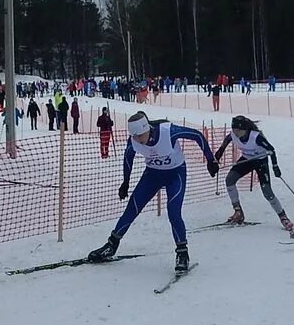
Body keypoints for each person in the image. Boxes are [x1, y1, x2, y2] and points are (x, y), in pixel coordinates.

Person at [87, 112, 219, 272]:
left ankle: (182, 253)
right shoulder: (134, 140)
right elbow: (128, 157)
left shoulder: (168, 131)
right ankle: (111, 245)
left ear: (147, 129)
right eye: (134, 136)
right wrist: (125, 183)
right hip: (152, 175)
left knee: (173, 212)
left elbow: (197, 135)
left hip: (175, 174)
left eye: (140, 135)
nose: (138, 140)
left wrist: (210, 160)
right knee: (132, 209)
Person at [213, 115, 294, 234]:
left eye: (237, 130)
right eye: (233, 129)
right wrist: (215, 160)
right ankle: (238, 212)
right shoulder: (232, 135)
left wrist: (275, 166)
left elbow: (271, 150)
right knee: (230, 180)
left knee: (267, 191)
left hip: (260, 161)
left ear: (244, 129)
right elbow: (222, 148)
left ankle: (283, 217)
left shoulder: (256, 137)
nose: (235, 132)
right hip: (247, 159)